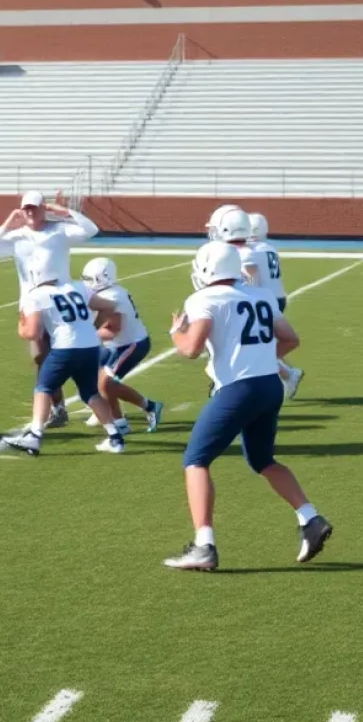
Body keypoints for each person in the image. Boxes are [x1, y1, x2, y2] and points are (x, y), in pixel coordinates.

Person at [164, 241, 331, 571]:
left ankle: (204, 545)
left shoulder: (204, 298)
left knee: (195, 461)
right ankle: (311, 519)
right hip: (269, 386)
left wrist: (175, 332)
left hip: (238, 390)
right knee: (262, 460)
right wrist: (256, 357)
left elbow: (191, 348)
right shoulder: (261, 295)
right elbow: (290, 339)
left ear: (207, 268)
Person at [0, 191, 99, 428]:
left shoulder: (59, 231)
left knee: (70, 352)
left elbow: (91, 229)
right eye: (26, 208)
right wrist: (8, 223)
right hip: (31, 303)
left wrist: (64, 212)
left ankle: (94, 399)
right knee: (40, 356)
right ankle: (58, 408)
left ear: (44, 208)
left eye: (34, 208)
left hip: (59, 301)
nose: (30, 212)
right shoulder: (17, 237)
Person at [2, 252, 126, 456]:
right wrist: (91, 326)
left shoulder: (36, 295)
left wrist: (20, 326)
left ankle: (34, 435)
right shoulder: (77, 286)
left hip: (66, 347)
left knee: (44, 387)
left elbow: (31, 333)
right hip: (90, 346)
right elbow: (108, 306)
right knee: (90, 393)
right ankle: (115, 437)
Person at [208, 206, 303, 399]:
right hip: (273, 297)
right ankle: (287, 374)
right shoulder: (266, 248)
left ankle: (288, 374)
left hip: (261, 301)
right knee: (258, 346)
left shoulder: (245, 252)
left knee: (254, 347)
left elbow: (252, 279)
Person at [80, 257, 164, 433]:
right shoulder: (111, 291)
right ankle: (116, 420)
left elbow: (113, 330)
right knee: (92, 376)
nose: (86, 282)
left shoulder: (111, 296)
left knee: (106, 383)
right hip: (116, 345)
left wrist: (85, 334)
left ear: (102, 278)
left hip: (131, 345)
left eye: (90, 279)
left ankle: (149, 407)